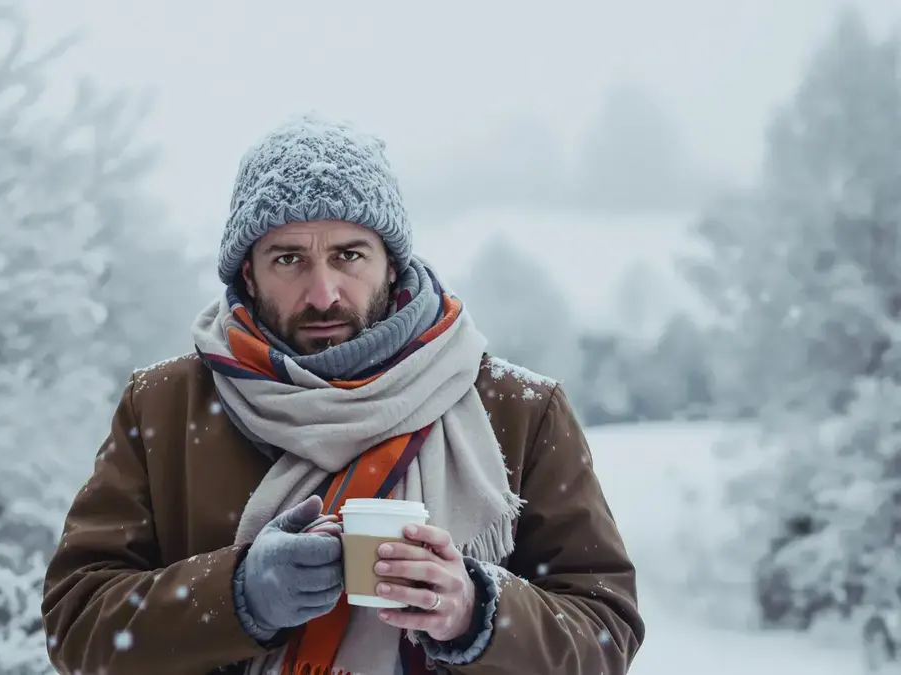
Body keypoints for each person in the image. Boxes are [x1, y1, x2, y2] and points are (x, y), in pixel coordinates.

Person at [41, 115, 645, 675]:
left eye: (349, 255)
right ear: (247, 273)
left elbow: (605, 633)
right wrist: (236, 595)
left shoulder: (519, 411)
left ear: (392, 264)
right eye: (289, 259)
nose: (323, 292)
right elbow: (77, 624)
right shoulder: (165, 408)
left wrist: (476, 611)